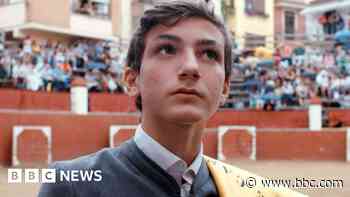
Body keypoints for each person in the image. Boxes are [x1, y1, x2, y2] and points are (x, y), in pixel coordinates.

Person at [38, 1, 306, 197]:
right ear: (132, 80)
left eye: (209, 54)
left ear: (225, 87)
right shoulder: (71, 185)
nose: (190, 67)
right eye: (167, 49)